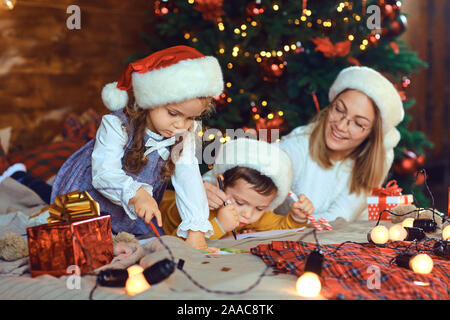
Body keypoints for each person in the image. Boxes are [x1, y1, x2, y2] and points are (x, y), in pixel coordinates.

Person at [51, 45, 224, 251]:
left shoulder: (183, 135)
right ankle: (22, 177)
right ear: (150, 101)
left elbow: (189, 181)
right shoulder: (117, 125)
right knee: (79, 242)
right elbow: (104, 174)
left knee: (135, 244)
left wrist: (196, 234)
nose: (181, 125)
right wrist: (137, 194)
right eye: (172, 113)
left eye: (190, 118)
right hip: (90, 200)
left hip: (132, 216)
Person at [203, 66, 404, 222]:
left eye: (358, 123)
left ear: (372, 135)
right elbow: (252, 167)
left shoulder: (371, 164)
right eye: (339, 110)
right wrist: (207, 184)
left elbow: (338, 218)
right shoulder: (298, 145)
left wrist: (297, 221)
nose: (341, 125)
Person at [160, 138, 312, 239]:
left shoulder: (250, 213)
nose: (248, 214)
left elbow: (282, 227)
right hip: (158, 212)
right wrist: (220, 225)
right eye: (239, 202)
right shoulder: (201, 206)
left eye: (260, 208)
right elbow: (178, 241)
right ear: (221, 183)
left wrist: (298, 216)